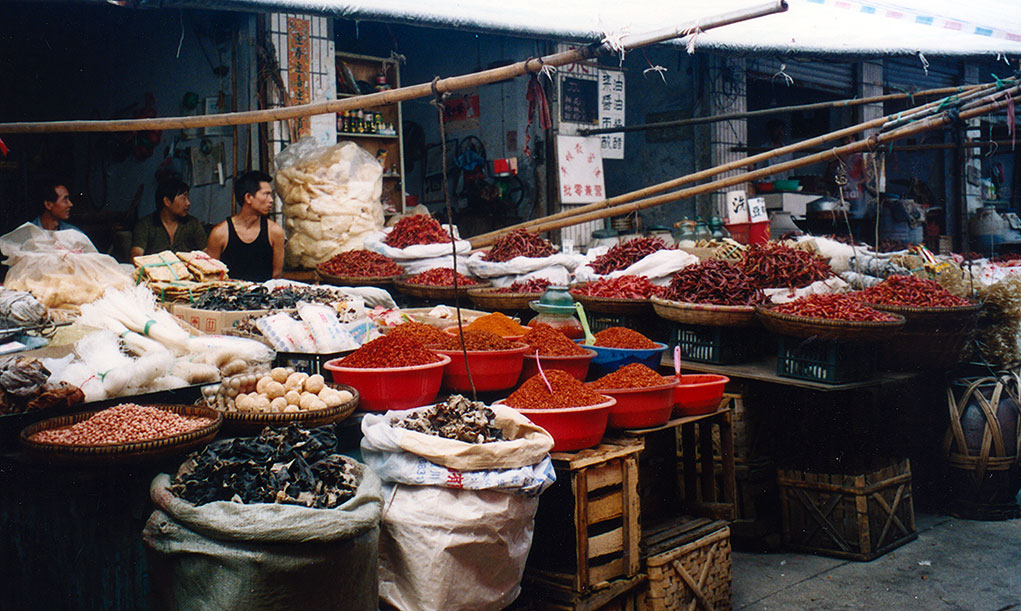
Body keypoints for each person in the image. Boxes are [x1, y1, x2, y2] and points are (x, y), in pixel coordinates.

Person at [205, 170, 284, 282]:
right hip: (230, 297)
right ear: (248, 197)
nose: (271, 200)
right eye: (266, 194)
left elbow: (276, 275)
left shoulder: (275, 232)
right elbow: (212, 276)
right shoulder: (220, 234)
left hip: (265, 296)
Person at [130, 178, 207, 258]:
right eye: (183, 198)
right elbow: (136, 254)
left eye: (188, 198)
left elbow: (206, 251)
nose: (188, 203)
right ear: (167, 201)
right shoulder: (145, 225)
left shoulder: (193, 223)